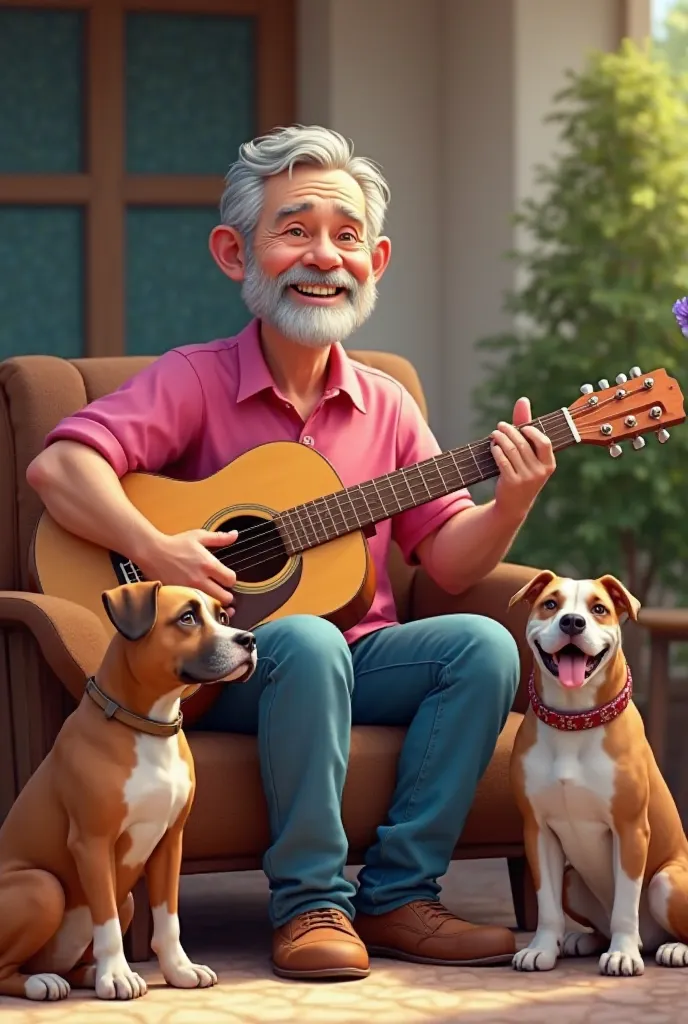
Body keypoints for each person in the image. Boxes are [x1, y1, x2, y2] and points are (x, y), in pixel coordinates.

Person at [26, 125, 556, 982]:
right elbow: (60, 467)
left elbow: (451, 566)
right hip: (215, 668)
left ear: (377, 260)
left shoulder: (386, 405)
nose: (325, 255)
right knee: (303, 638)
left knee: (483, 644)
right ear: (237, 252)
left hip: (359, 656)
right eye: (296, 229)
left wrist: (515, 500)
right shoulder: (194, 379)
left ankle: (398, 896)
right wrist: (154, 546)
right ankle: (310, 903)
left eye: (347, 236)